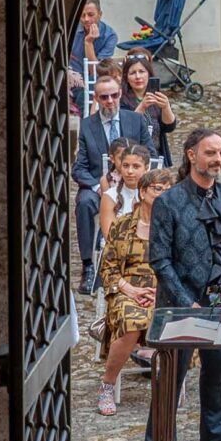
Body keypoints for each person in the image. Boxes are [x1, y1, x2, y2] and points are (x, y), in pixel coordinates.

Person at [144, 129, 221, 441]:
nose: (217, 159)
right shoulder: (168, 202)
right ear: (191, 155)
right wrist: (185, 301)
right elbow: (159, 259)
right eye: (210, 153)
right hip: (179, 307)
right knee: (169, 382)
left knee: (215, 377)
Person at [71, 76, 157, 295]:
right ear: (96, 98)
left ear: (120, 94)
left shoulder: (134, 120)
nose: (110, 101)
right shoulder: (88, 125)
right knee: (84, 203)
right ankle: (89, 265)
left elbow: (152, 155)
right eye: (104, 97)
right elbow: (79, 168)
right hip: (98, 185)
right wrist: (97, 187)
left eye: (114, 95)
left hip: (134, 181)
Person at [96, 169, 172, 416]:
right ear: (142, 191)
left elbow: (184, 267)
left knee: (172, 314)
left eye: (167, 190)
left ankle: (173, 380)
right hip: (126, 289)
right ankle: (107, 384)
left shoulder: (175, 225)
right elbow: (107, 266)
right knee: (132, 320)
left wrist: (159, 290)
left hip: (164, 289)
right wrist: (129, 289)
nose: (162, 195)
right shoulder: (123, 224)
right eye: (157, 189)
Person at [120, 52, 177, 166]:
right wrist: (142, 106)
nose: (138, 77)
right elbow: (126, 128)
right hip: (132, 157)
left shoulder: (156, 96)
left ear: (149, 74)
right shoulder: (121, 99)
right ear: (126, 77)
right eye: (133, 73)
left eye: (142, 72)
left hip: (156, 156)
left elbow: (169, 127)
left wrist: (166, 107)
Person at [69, 0, 118, 111]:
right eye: (82, 15)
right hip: (70, 78)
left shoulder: (110, 36)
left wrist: (88, 43)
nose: (86, 19)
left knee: (90, 88)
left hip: (93, 79)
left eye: (91, 15)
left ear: (100, 14)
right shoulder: (71, 30)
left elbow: (95, 70)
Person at [99, 144, 150, 240]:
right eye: (125, 166)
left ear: (146, 169)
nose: (130, 171)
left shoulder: (152, 196)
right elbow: (109, 237)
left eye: (136, 166)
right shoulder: (110, 196)